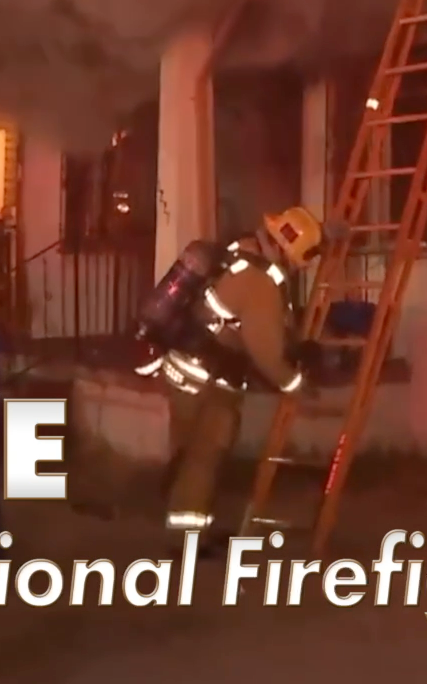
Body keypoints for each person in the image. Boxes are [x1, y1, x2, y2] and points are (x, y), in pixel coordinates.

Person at [134, 206, 333, 546]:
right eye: (307, 256)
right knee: (204, 457)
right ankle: (187, 540)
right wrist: (298, 386)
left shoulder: (239, 252)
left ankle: (185, 516)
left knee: (188, 451)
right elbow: (266, 353)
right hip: (209, 382)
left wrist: (330, 231)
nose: (305, 265)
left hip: (181, 369)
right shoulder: (262, 283)